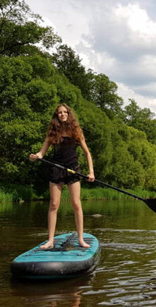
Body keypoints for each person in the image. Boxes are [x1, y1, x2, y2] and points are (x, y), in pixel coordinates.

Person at [30, 104, 95, 249]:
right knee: (54, 204)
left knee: (76, 204)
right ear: (56, 115)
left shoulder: (77, 131)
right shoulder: (52, 132)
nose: (63, 114)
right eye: (60, 112)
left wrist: (91, 172)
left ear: (69, 114)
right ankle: (50, 240)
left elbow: (87, 153)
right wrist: (36, 156)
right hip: (56, 169)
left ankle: (80, 239)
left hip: (73, 169)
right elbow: (42, 152)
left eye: (65, 112)